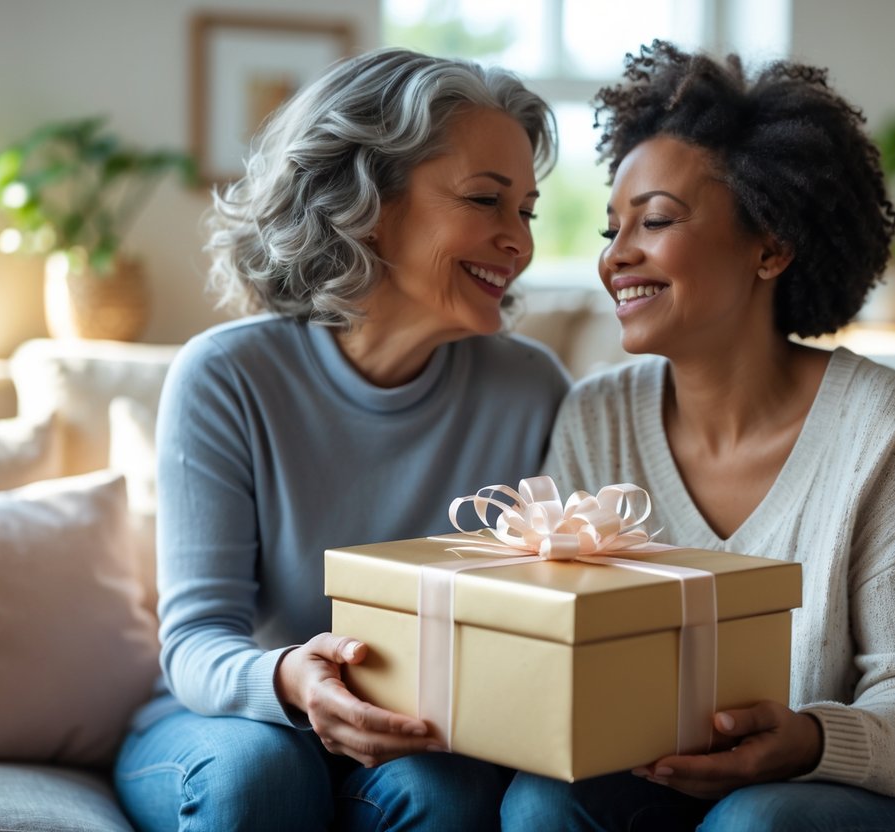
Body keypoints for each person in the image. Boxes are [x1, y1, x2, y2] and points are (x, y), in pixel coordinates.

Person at [504, 41, 895, 832]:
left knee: (756, 822)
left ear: (769, 246)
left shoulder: (883, 426)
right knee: (541, 805)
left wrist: (808, 739)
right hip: (666, 783)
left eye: (656, 220)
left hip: (884, 800)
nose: (616, 257)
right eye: (611, 230)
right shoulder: (595, 418)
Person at [111, 47, 569, 832]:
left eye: (524, 210)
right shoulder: (227, 375)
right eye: (485, 201)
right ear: (365, 200)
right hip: (228, 721)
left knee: (445, 795)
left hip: (419, 737)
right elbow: (195, 644)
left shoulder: (533, 391)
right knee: (260, 776)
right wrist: (292, 679)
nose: (518, 242)